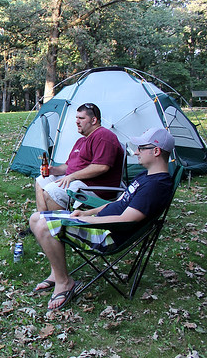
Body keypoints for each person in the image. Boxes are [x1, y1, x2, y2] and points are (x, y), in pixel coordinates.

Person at [29, 128, 175, 310]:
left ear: (156, 151)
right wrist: (86, 213)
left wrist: (86, 221)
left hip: (107, 235)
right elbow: (119, 203)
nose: (136, 152)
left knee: (44, 225)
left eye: (141, 148)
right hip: (100, 223)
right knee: (35, 218)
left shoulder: (156, 186)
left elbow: (125, 220)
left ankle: (64, 283)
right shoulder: (145, 177)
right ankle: (57, 274)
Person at [35, 103, 124, 212]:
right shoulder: (81, 140)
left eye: (81, 118)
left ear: (94, 120)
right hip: (79, 181)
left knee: (52, 191)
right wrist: (53, 170)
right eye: (76, 118)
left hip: (95, 188)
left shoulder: (103, 136)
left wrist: (72, 176)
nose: (77, 121)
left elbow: (101, 167)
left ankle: (59, 222)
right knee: (41, 181)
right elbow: (68, 166)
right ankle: (42, 218)